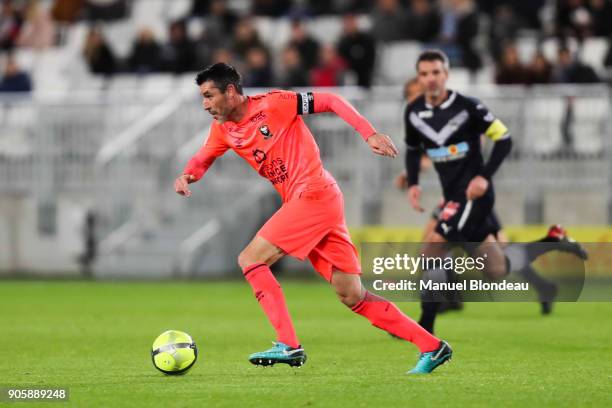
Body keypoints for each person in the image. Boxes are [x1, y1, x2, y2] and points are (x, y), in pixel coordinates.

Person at [175, 63, 452, 374]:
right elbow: (204, 156)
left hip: (314, 193)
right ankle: (432, 346)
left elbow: (331, 101)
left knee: (251, 259)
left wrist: (368, 133)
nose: (205, 104)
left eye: (209, 96)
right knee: (352, 295)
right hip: (315, 201)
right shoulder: (223, 130)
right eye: (203, 97)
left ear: (230, 91)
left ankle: (289, 345)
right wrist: (188, 174)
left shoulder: (275, 103)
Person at [404, 50, 587, 334]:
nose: (430, 79)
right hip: (453, 197)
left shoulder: (467, 108)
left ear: (446, 74)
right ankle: (552, 240)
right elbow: (414, 150)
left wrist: (483, 176)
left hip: (473, 196)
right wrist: (414, 182)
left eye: (435, 72)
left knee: (432, 248)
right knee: (496, 269)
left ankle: (425, 328)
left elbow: (503, 137)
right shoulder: (414, 113)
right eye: (424, 74)